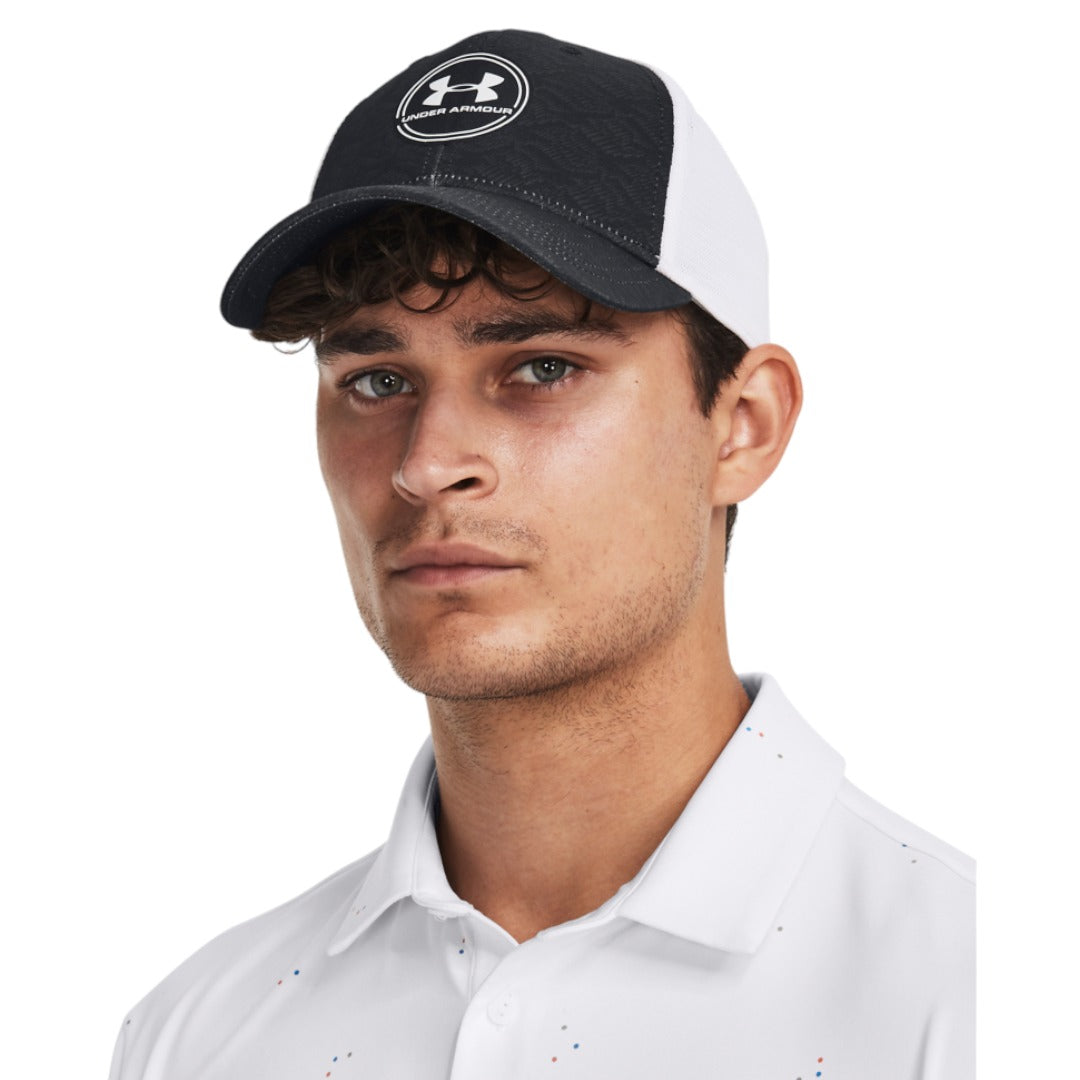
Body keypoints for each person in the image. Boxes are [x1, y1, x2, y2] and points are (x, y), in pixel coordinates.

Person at [109, 29, 974, 1080]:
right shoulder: (197, 1037)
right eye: (377, 381)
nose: (427, 465)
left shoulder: (975, 1003)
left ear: (742, 426)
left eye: (543, 367)